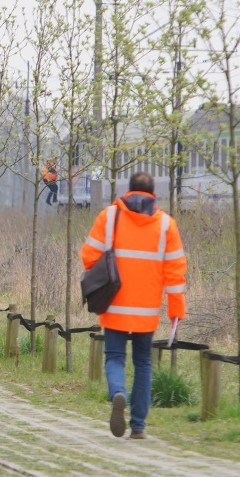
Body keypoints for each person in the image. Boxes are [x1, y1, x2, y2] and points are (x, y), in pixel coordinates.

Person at [80, 172, 187, 439]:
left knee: (114, 357)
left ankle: (118, 392)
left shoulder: (109, 217)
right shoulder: (166, 225)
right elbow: (175, 273)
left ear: (128, 191)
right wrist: (176, 310)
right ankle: (138, 426)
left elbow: (89, 255)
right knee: (143, 363)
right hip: (147, 309)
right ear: (154, 194)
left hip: (114, 303)